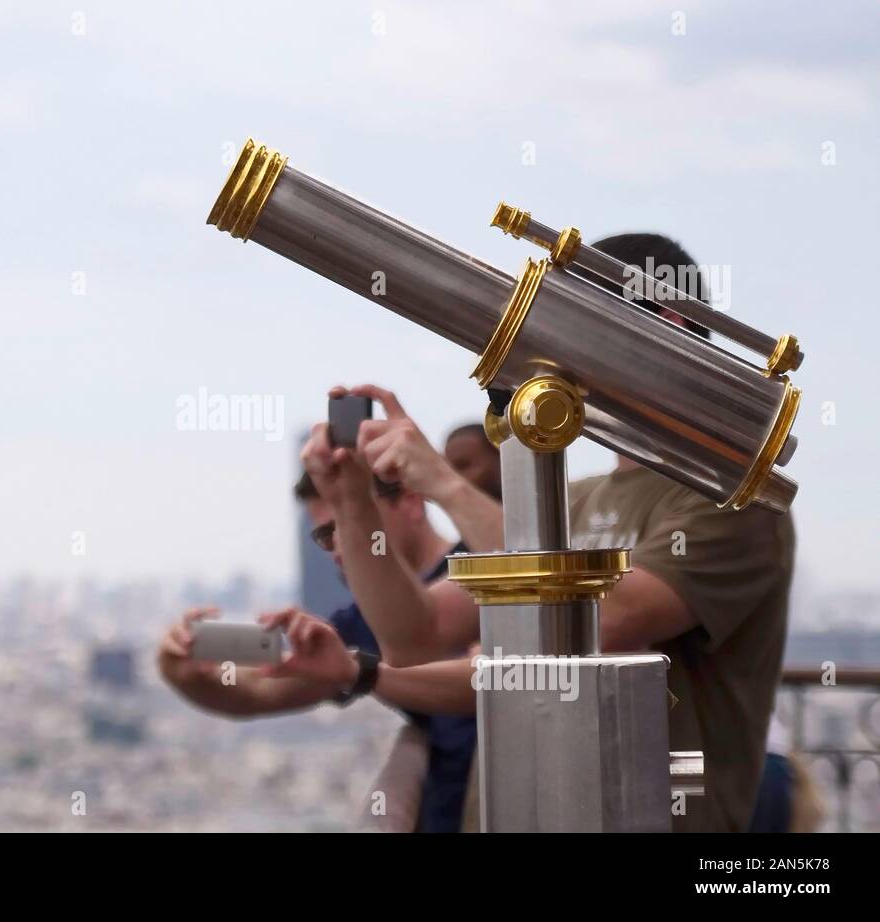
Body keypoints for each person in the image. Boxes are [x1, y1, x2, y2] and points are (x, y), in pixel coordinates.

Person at [291, 233, 796, 833]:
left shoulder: (736, 503)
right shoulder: (571, 503)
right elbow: (417, 635)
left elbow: (600, 620)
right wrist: (352, 504)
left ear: (664, 322)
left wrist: (443, 484)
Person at [156, 440, 498, 832]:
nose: (339, 546)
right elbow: (260, 691)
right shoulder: (365, 620)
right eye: (324, 536)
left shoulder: (483, 577)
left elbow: (480, 679)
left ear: (410, 502)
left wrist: (363, 673)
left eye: (351, 519)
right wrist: (183, 671)